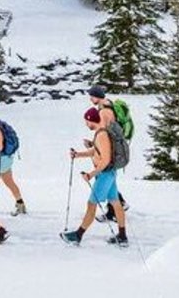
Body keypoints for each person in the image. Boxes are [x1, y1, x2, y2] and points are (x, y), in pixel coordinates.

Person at [61, 107, 129, 247]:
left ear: (91, 120)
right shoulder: (100, 133)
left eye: (87, 122)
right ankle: (122, 236)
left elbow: (105, 159)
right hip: (108, 174)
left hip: (105, 175)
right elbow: (96, 151)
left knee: (91, 205)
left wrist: (90, 175)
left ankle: (77, 235)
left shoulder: (102, 135)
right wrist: (79, 154)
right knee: (115, 202)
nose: (86, 124)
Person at [86, 85, 127, 220]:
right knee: (110, 184)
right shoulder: (108, 106)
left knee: (105, 180)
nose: (91, 99)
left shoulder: (104, 112)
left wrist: (93, 144)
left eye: (92, 96)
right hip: (111, 149)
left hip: (107, 153)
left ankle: (115, 210)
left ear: (97, 96)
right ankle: (115, 209)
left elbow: (103, 133)